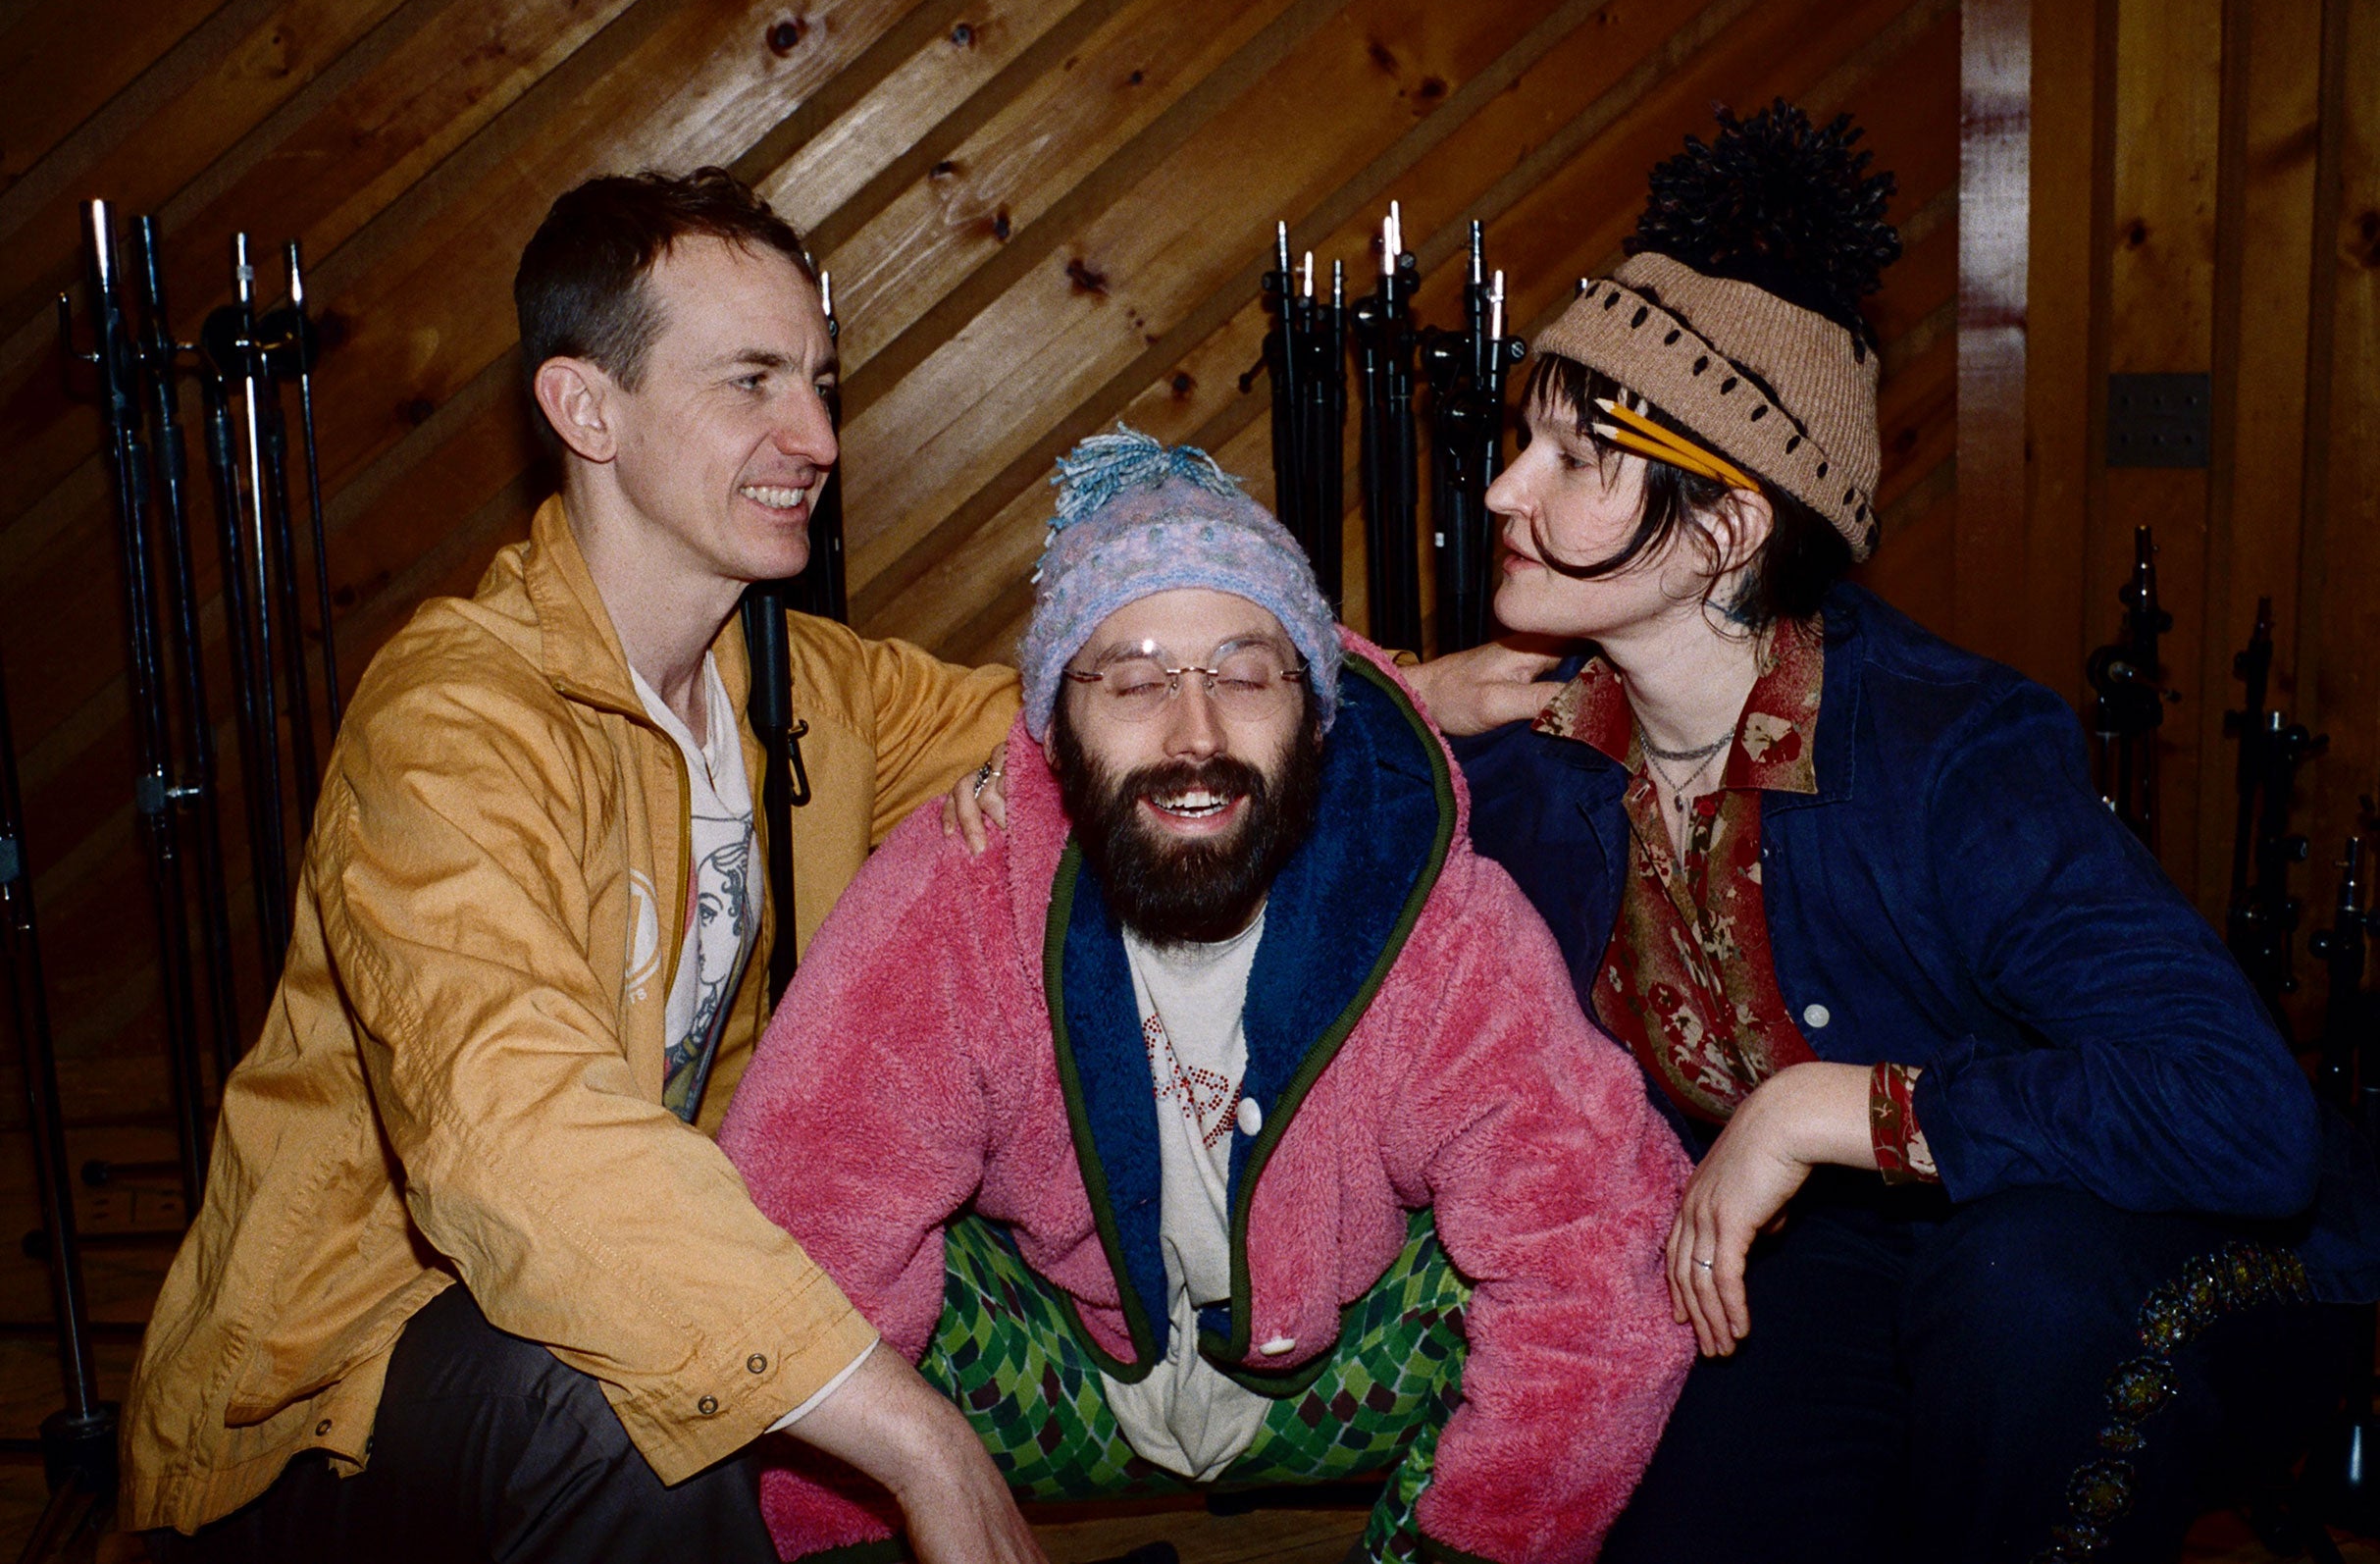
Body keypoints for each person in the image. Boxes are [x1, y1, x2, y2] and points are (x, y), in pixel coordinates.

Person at [1450, 102, 2380, 1562]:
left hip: (2142, 1253)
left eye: (1573, 456)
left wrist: (1819, 1107)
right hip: (1845, 1253)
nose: (1504, 487)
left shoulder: (1954, 755)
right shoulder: (1542, 751)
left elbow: (2243, 1116)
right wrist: (1399, 696)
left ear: (1725, 530)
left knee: (2019, 1293)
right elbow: (1263, 766)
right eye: (1523, 440)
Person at [124, 168, 1047, 1562]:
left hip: (588, 1316)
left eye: (818, 382)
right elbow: (514, 1133)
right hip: (328, 1401)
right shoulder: (453, 719)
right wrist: (920, 1443)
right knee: (622, 1400)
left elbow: (1113, 714)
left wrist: (1346, 677)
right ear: (585, 409)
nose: (816, 437)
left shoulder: (804, 685)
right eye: (750, 382)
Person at [719, 428, 1695, 1563]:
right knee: (823, 1286)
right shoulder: (957, 891)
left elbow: (1591, 1257)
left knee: (1593, 1265)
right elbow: (802, 1221)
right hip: (1060, 1366)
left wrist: (1479, 1545)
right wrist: (847, 1536)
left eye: (1243, 676)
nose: (1195, 735)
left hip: (1333, 1369)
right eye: (1133, 682)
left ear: (1316, 715)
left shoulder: (1433, 916)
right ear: (1052, 729)